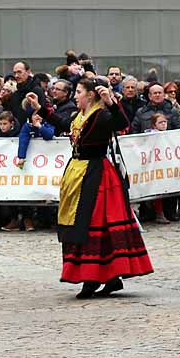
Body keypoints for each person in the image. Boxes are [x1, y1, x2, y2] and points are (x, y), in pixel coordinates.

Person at [39, 79, 152, 298]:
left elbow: (120, 123)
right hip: (78, 172)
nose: (75, 96)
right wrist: (40, 110)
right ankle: (108, 277)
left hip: (97, 176)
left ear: (91, 95)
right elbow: (63, 124)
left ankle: (94, 278)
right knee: (82, 221)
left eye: (79, 92)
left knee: (94, 222)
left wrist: (110, 102)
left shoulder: (101, 116)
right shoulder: (78, 117)